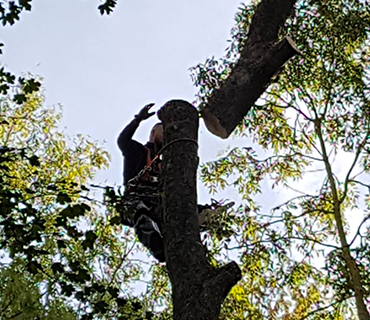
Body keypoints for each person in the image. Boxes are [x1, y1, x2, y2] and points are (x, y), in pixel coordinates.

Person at [117, 103, 166, 262]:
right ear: (154, 132)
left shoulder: (166, 165)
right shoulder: (137, 151)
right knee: (141, 214)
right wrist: (138, 120)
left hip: (156, 202)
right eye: (164, 131)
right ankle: (156, 245)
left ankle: (205, 216)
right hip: (135, 198)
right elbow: (123, 141)